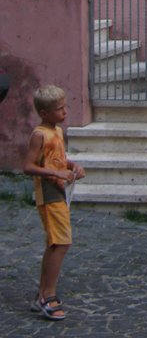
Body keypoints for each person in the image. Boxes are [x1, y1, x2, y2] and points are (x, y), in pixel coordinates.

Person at [23, 84, 86, 321]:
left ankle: (44, 293)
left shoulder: (57, 132)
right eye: (59, 109)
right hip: (48, 195)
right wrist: (56, 174)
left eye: (65, 107)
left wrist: (72, 167)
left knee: (56, 242)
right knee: (61, 243)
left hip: (60, 192)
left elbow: (60, 159)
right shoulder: (39, 135)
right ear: (44, 113)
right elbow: (28, 166)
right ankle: (46, 296)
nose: (65, 112)